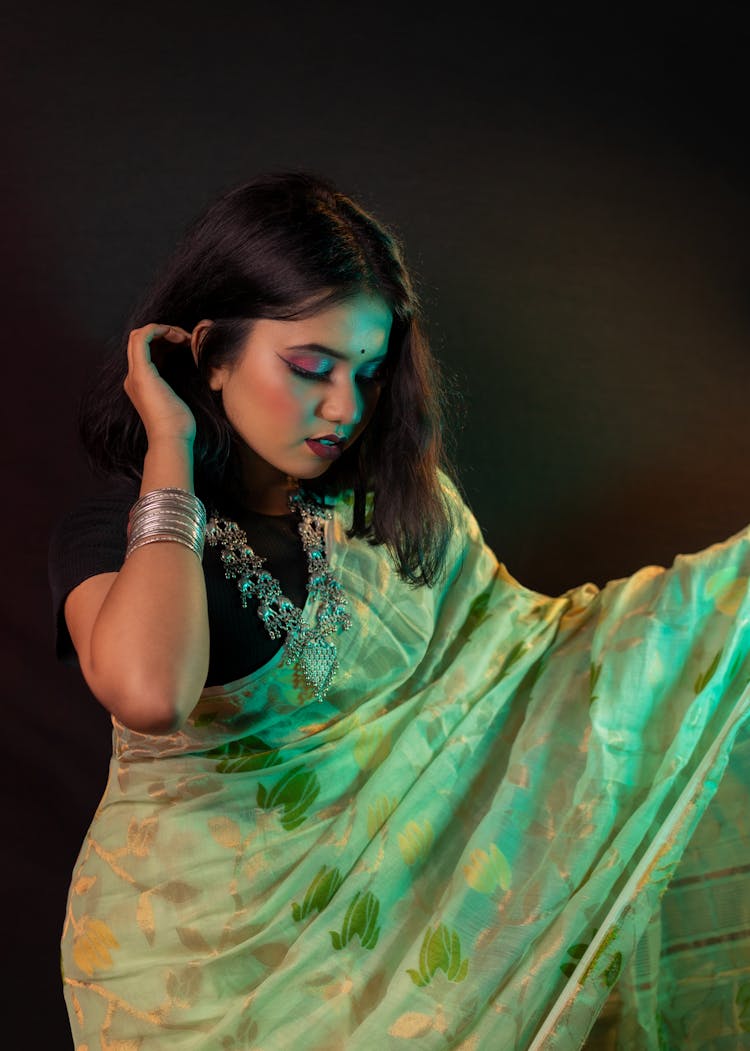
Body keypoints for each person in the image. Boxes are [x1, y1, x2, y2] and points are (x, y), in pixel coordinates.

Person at [48, 170, 750, 1051]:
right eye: (309, 367)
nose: (343, 407)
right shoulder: (112, 534)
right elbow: (149, 691)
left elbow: (528, 661)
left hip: (399, 977)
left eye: (369, 374)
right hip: (190, 986)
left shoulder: (388, 515)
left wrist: (720, 612)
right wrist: (170, 447)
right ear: (209, 353)